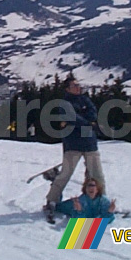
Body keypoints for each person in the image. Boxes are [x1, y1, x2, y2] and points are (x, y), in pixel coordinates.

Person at [43, 76, 106, 222]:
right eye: (74, 85)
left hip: (90, 143)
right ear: (67, 89)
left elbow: (92, 113)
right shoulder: (64, 103)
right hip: (73, 144)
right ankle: (52, 200)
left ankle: (100, 201)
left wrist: (82, 120)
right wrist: (87, 123)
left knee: (97, 175)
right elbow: (73, 118)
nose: (78, 87)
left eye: (79, 85)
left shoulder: (85, 100)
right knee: (65, 174)